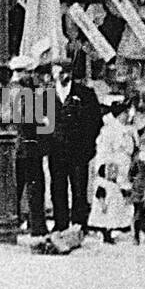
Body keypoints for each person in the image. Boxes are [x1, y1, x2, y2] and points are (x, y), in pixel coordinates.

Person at [43, 57, 102, 232]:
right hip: (56, 150)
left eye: (60, 72)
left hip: (79, 151)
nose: (57, 76)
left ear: (68, 73)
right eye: (54, 73)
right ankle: (60, 223)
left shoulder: (85, 94)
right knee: (58, 187)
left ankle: (79, 223)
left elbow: (95, 121)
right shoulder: (47, 95)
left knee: (79, 188)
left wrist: (87, 145)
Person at [88, 94, 136, 243]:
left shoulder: (127, 129)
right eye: (124, 113)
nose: (127, 116)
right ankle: (104, 230)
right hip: (111, 168)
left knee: (118, 201)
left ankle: (117, 227)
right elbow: (103, 151)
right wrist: (107, 169)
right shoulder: (109, 130)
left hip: (123, 166)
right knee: (107, 199)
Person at [11, 56, 48, 236]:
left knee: (15, 188)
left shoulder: (6, 91)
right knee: (35, 187)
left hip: (13, 147)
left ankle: (13, 221)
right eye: (30, 72)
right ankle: (37, 226)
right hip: (29, 146)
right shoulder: (26, 94)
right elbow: (33, 121)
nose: (32, 75)